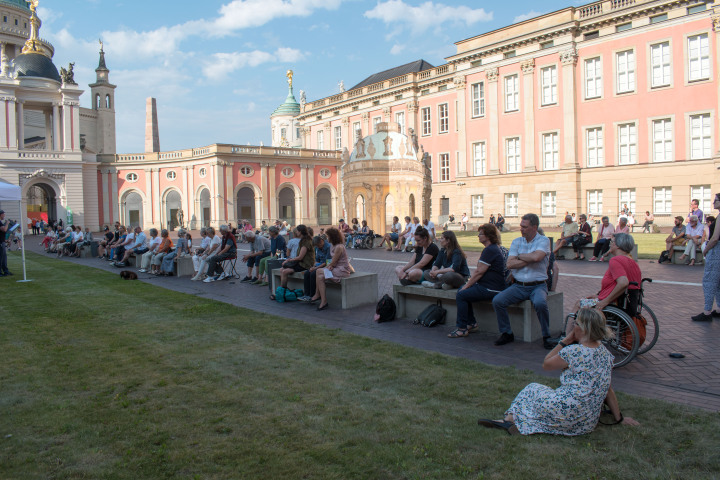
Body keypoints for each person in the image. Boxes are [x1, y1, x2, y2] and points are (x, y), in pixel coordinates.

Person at [478, 308, 639, 436]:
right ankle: (513, 421)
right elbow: (608, 389)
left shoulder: (575, 351)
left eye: (576, 323)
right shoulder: (606, 354)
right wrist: (619, 418)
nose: (573, 326)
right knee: (541, 396)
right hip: (586, 423)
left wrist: (565, 341)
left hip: (568, 412)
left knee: (532, 389)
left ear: (582, 328)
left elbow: (546, 363)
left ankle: (509, 420)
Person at [492, 213, 553, 349]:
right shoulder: (517, 242)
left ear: (534, 227)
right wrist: (528, 259)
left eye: (524, 227)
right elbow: (509, 264)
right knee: (498, 301)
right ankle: (507, 332)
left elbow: (537, 257)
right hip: (519, 286)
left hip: (538, 285)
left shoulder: (543, 240)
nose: (521, 229)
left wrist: (519, 257)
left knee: (540, 303)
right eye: (521, 226)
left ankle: (546, 336)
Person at [449, 224, 507, 338]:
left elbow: (479, 272)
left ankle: (462, 328)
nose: (478, 236)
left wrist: (467, 285)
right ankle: (471, 323)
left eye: (480, 234)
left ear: (488, 236)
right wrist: (467, 286)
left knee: (461, 294)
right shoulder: (491, 248)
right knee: (462, 291)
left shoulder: (490, 250)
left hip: (491, 288)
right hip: (488, 285)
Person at [305, 227, 353, 311]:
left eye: (328, 236)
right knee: (320, 277)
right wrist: (329, 266)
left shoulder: (339, 247)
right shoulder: (332, 245)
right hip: (335, 268)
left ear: (332, 237)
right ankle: (323, 301)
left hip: (342, 270)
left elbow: (333, 262)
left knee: (319, 271)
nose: (327, 238)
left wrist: (328, 266)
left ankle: (317, 294)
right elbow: (331, 262)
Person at [692, 193, 720, 322]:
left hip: (717, 252)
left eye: (716, 200)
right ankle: (719, 309)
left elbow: (715, 238)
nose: (714, 202)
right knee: (718, 282)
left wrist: (706, 250)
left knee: (709, 281)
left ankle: (707, 311)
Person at [277, 224, 315, 291]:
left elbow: (300, 257)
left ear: (300, 232)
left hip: (305, 264)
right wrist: (290, 260)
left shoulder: (306, 242)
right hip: (300, 263)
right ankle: (283, 288)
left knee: (285, 271)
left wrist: (289, 260)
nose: (296, 232)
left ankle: (283, 290)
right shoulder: (303, 240)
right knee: (281, 269)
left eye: (297, 231)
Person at [299, 235, 332, 302]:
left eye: (318, 245)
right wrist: (313, 267)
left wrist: (315, 268)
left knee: (313, 274)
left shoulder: (328, 247)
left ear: (321, 241)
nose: (318, 247)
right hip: (319, 265)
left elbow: (326, 262)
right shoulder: (318, 248)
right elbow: (317, 260)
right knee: (307, 273)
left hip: (325, 266)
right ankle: (306, 294)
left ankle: (312, 295)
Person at [0, 210, 11, 277]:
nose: (4, 216)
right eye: (3, 214)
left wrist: (5, 240)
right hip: (0, 242)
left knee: (4, 257)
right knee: (1, 257)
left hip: (2, 241)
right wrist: (7, 223)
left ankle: (5, 270)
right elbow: (4, 229)